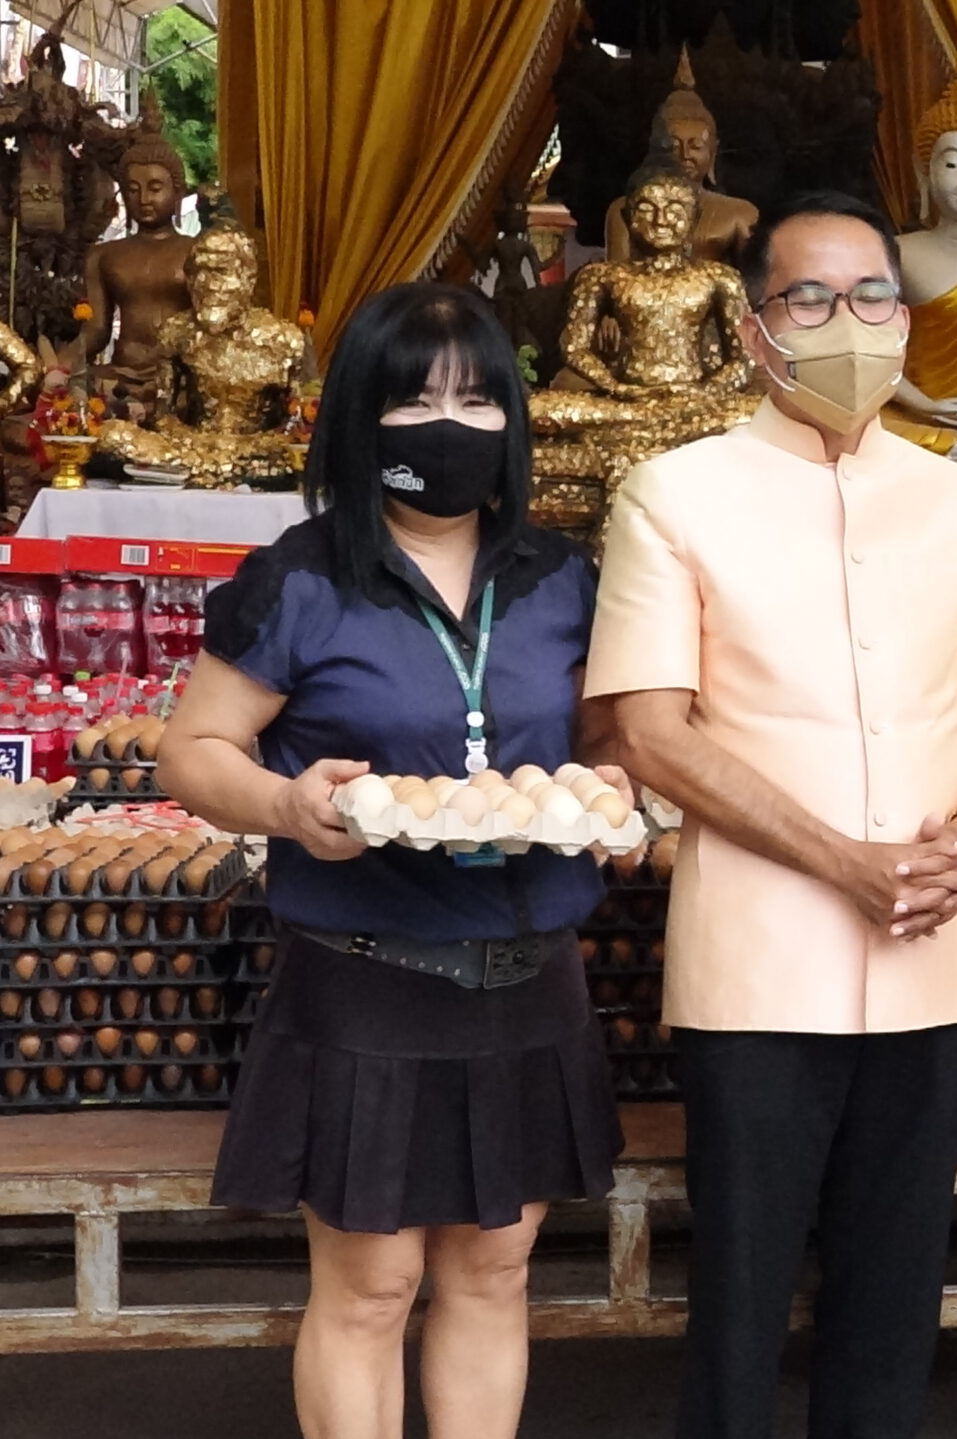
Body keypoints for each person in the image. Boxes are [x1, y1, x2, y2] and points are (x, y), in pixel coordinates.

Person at [586, 191, 957, 1439]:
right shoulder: (672, 493)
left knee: (896, 1298)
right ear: (753, 330)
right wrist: (843, 860)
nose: (847, 321)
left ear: (905, 319)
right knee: (740, 1298)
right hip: (757, 973)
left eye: (872, 296)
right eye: (809, 298)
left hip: (932, 965)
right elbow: (651, 731)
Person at [159, 283, 625, 1439]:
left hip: (529, 977)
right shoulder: (303, 577)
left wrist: (611, 786)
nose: (449, 425)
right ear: (359, 417)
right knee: (372, 1284)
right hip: (366, 975)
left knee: (495, 1269)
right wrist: (285, 802)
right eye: (415, 400)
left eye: (475, 398)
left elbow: (608, 738)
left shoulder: (562, 577)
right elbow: (193, 750)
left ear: (513, 417)